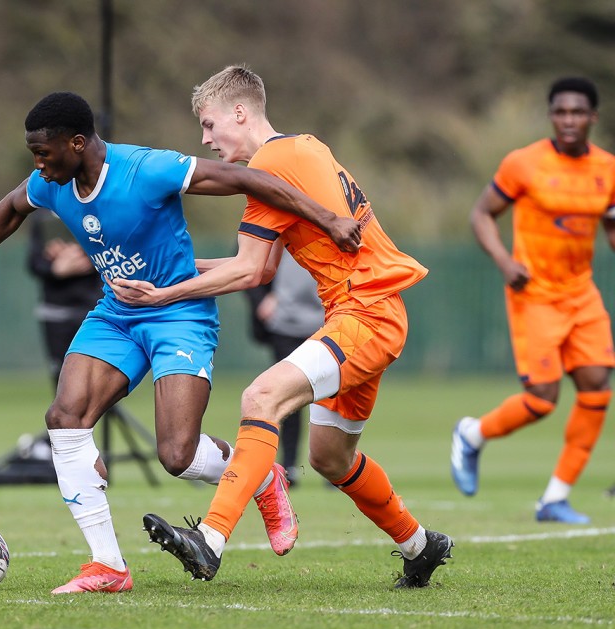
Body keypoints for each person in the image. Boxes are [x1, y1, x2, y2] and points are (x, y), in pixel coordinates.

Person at [0, 91, 362, 594]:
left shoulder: (146, 170)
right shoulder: (52, 184)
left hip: (180, 314)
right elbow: (9, 209)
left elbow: (249, 179)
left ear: (77, 143)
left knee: (177, 455)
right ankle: (108, 566)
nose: (37, 165)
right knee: (65, 418)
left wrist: (327, 218)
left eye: (43, 153)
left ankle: (262, 476)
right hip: (116, 315)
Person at [109, 65, 454, 589]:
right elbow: (260, 267)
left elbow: (248, 271)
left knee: (261, 397)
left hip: (367, 312)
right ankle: (420, 544)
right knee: (329, 457)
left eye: (209, 123)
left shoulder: (272, 162)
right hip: (365, 314)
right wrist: (165, 272)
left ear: (240, 113)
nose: (204, 138)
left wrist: (162, 295)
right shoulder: (293, 153)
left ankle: (211, 538)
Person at [450, 77, 615, 524]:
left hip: (582, 293)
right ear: (551, 116)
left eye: (577, 112)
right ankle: (472, 433)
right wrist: (504, 261)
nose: (568, 120)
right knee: (542, 398)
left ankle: (554, 499)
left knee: (597, 388)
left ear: (592, 117)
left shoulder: (608, 169)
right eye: (560, 112)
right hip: (535, 294)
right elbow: (481, 213)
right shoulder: (524, 163)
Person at [244, 255, 324, 486]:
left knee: (330, 398)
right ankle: (289, 466)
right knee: (288, 396)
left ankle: (334, 466)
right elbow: (248, 260)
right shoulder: (277, 223)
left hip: (328, 322)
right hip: (287, 325)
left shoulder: (337, 226)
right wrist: (261, 299)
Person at [26, 208, 102, 388]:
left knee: (98, 377)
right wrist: (57, 268)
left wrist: (83, 255)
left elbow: (116, 253)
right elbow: (33, 262)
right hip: (55, 312)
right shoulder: (42, 217)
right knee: (62, 378)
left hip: (93, 310)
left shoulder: (97, 210)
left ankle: (107, 413)